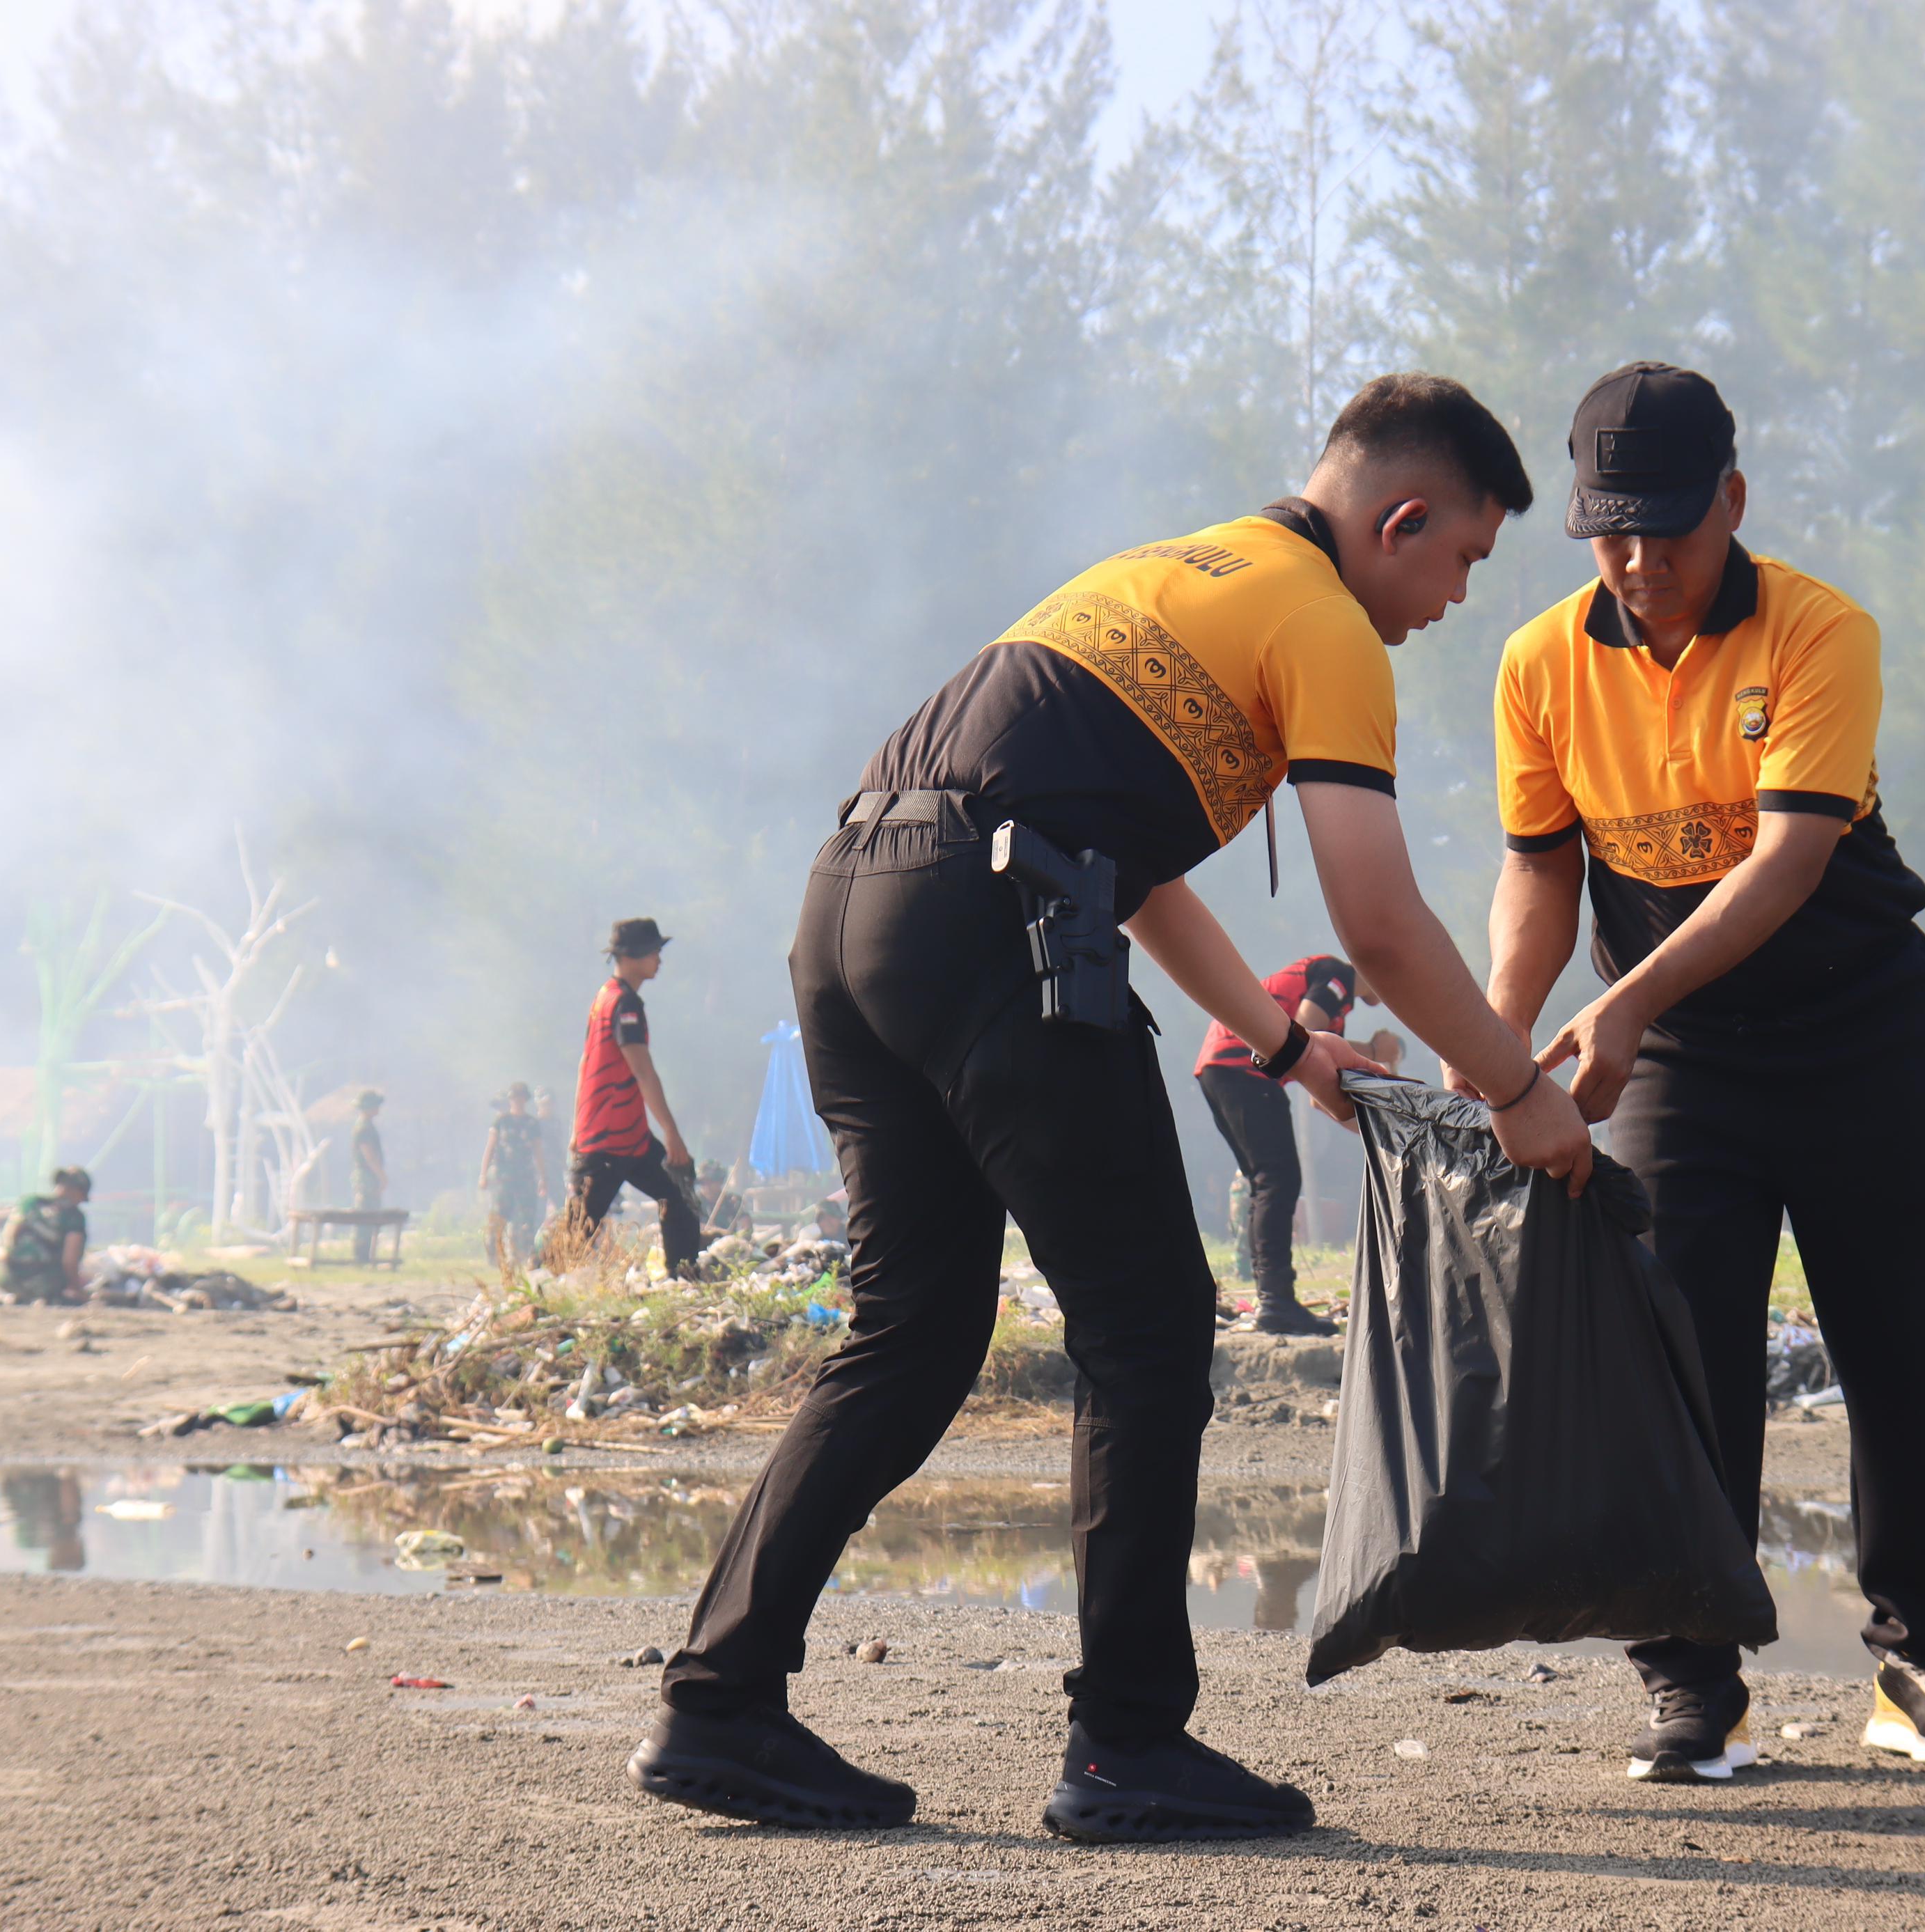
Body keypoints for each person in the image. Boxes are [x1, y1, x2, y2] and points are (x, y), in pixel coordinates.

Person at [631, 373, 1592, 1844]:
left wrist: (1289, 1051)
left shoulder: (1173, 572)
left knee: (912, 1330)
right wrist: (1520, 1092)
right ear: (1399, 519)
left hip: (854, 904)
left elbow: (1132, 876)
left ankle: (720, 1699)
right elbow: (1382, 923)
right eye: (1464, 556)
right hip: (989, 915)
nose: (1459, 595)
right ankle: (1130, 1740)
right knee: (1147, 1325)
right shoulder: (1325, 622)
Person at [1476, 361, 1925, 1780]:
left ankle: (1920, 1665)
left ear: (1732, 500)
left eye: (1668, 525)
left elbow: (1785, 865)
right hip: (1684, 1061)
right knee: (1683, 1364)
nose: (1641, 561)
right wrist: (1500, 1041)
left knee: (1901, 1352)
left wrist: (1626, 1004)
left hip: (1856, 1037)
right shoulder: (1539, 662)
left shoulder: (1820, 631)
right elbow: (1539, 869)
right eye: (1610, 531)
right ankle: (1691, 1682)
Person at [1192, 952, 1374, 1335]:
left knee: (1267, 1182)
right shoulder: (1335, 976)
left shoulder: (1337, 1010)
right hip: (1242, 1066)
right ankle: (1276, 1302)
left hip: (1222, 1066)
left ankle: (1273, 1298)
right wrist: (1375, 1053)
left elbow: (1318, 1082)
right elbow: (1304, 1031)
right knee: (1278, 1179)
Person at [566, 919, 704, 1277]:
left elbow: (586, 1061)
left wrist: (576, 1126)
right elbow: (643, 1071)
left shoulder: (604, 997)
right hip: (607, 1138)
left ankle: (683, 1278)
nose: (659, 959)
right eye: (655, 951)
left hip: (629, 1137)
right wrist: (672, 1134)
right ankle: (548, 1289)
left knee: (680, 1194)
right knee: (578, 1229)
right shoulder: (624, 1004)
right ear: (633, 956)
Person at [481, 1082, 549, 1268]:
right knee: (499, 1219)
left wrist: (542, 1177)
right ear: (510, 1100)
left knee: (526, 1219)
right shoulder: (501, 1122)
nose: (517, 1102)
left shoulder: (532, 1123)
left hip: (525, 1178)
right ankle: (495, 1258)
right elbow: (491, 1147)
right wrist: (484, 1174)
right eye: (514, 1098)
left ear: (525, 1100)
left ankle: (523, 1257)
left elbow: (538, 1151)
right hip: (504, 1178)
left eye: (520, 1098)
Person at [1, 1166, 93, 1304]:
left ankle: (20, 1294)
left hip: (14, 1278)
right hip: (48, 1283)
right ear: (79, 1192)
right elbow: (70, 1260)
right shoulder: (74, 1216)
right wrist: (76, 1289)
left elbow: (10, 1238)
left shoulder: (30, 1203)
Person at [348, 1091, 387, 1264]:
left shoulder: (367, 1126)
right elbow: (369, 1156)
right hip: (366, 1176)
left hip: (369, 1175)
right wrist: (381, 1176)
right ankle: (361, 1256)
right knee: (365, 1216)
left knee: (371, 1216)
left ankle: (366, 1255)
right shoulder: (363, 1128)